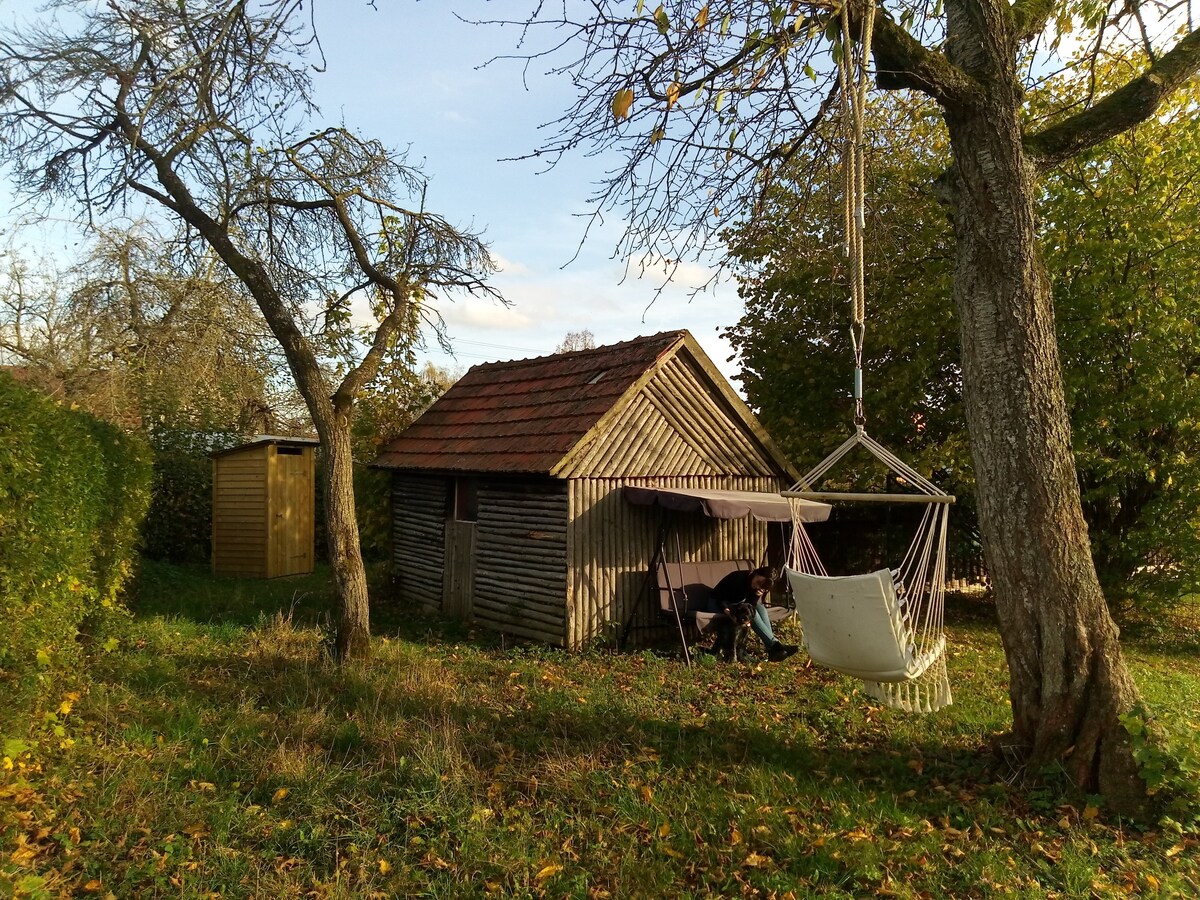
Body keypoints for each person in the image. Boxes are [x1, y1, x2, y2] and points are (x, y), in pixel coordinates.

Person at [708, 566, 798, 662]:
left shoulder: (755, 585)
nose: (757, 586)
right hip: (717, 604)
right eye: (759, 582)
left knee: (761, 608)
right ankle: (775, 646)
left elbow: (751, 605)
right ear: (757, 573)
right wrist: (728, 612)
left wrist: (755, 596)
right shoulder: (738, 578)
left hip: (734, 605)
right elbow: (721, 599)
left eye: (761, 586)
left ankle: (772, 647)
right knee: (753, 615)